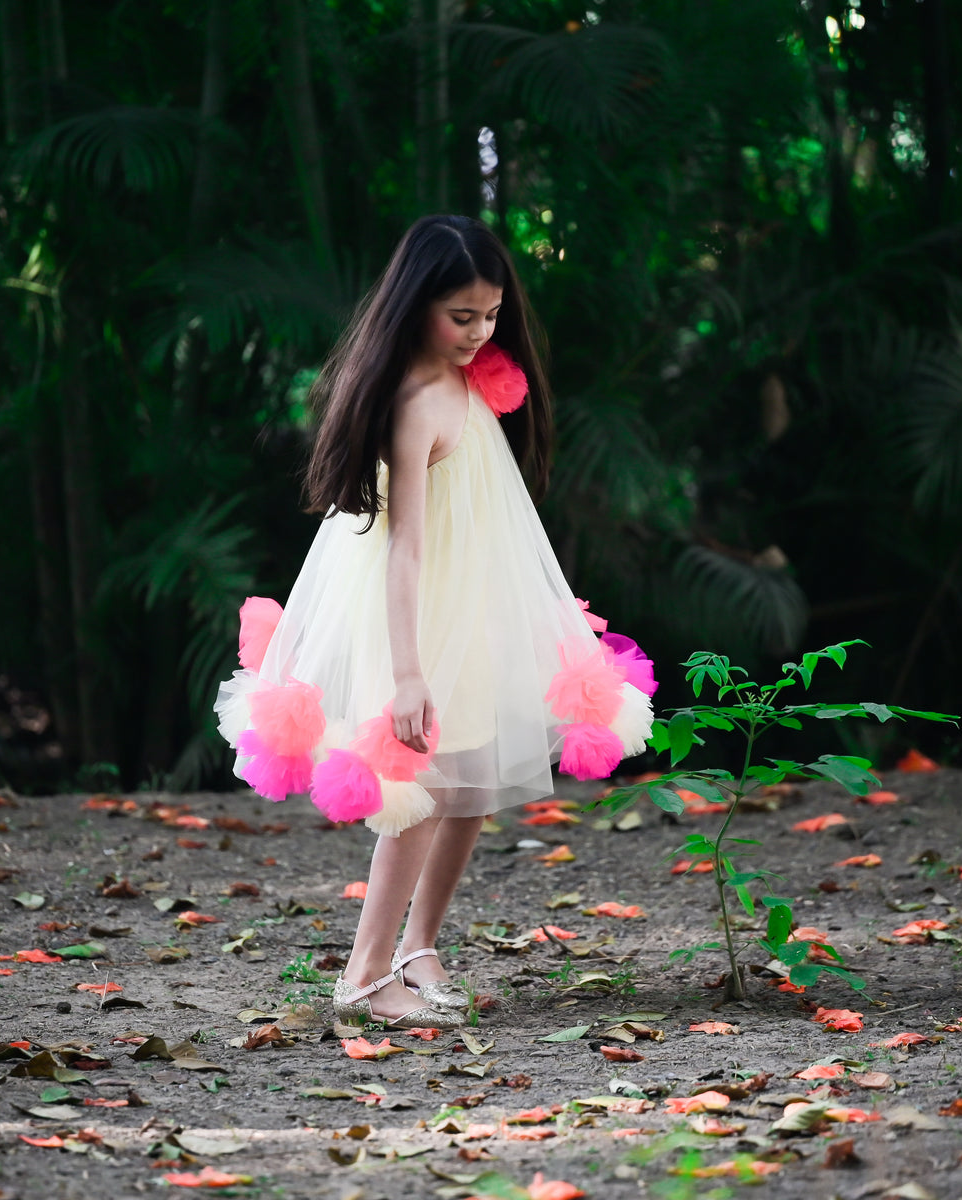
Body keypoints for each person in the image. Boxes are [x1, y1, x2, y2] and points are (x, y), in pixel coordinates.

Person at [215, 215, 656, 1031]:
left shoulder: (471, 378)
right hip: (420, 617)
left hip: (476, 605)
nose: (481, 331)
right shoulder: (414, 403)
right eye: (462, 316)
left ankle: (420, 948)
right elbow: (405, 549)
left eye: (490, 314)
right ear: (416, 304)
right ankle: (364, 970)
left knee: (473, 788)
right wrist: (410, 674)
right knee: (418, 794)